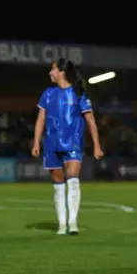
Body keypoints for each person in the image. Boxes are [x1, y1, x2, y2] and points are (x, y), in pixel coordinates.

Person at [31, 59, 103, 235]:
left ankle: (73, 223)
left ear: (61, 72)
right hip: (51, 144)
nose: (50, 73)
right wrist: (35, 141)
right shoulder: (48, 93)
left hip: (73, 143)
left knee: (72, 180)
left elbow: (91, 121)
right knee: (58, 184)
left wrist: (97, 145)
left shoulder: (79, 94)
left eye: (53, 69)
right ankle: (62, 225)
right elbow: (40, 118)